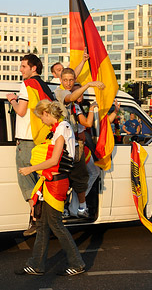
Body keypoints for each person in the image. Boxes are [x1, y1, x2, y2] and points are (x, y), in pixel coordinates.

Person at [15, 99, 86, 276]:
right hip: (52, 181)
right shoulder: (59, 129)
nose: (41, 121)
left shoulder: (61, 128)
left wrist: (30, 169)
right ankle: (36, 264)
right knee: (43, 224)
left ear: (47, 114)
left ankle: (76, 263)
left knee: (54, 224)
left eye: (41, 117)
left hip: (56, 183)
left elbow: (55, 160)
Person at [6, 54, 54, 236]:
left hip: (27, 141)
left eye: (24, 66)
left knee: (27, 181)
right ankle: (41, 218)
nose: (21, 69)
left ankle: (36, 219)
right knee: (40, 182)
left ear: (34, 68)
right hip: (42, 140)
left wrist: (11, 98)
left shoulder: (27, 85)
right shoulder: (45, 87)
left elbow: (21, 110)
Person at [55, 67, 105, 218]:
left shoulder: (75, 106)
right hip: (63, 145)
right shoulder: (60, 93)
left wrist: (83, 61)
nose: (69, 83)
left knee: (81, 177)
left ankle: (79, 207)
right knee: (64, 178)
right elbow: (70, 97)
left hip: (76, 146)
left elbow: (88, 123)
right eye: (66, 80)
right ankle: (65, 207)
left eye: (71, 80)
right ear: (60, 81)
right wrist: (89, 84)